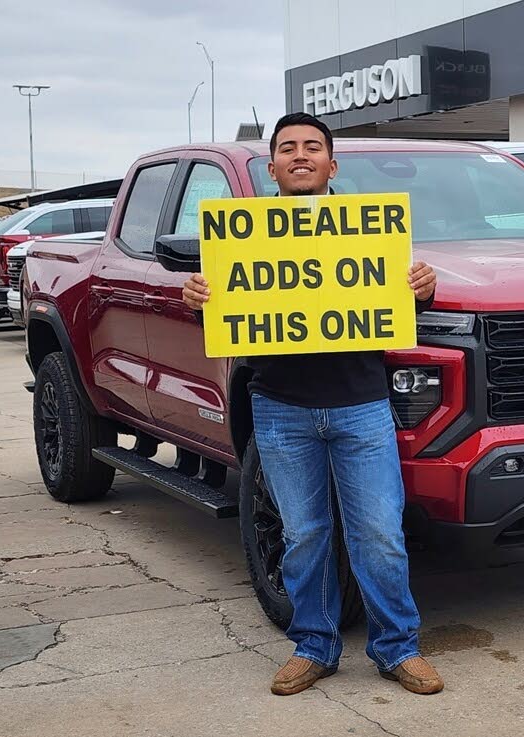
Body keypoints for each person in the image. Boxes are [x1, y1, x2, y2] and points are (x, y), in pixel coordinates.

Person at [182, 113, 443, 696]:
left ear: (332, 164)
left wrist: (422, 290)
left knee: (379, 534)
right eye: (287, 148)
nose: (300, 155)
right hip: (279, 410)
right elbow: (224, 318)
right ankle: (315, 646)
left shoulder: (367, 230)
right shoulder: (240, 236)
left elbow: (393, 308)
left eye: (313, 147)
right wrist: (198, 297)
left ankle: (397, 648)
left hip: (362, 406)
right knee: (303, 536)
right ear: (271, 165)